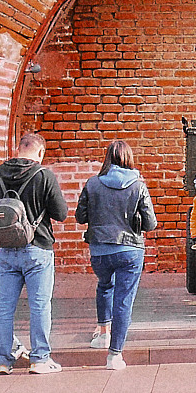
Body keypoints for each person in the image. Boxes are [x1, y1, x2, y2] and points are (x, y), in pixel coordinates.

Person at [0, 130, 68, 375]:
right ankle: (40, 359)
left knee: (4, 306)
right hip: (37, 250)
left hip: (6, 251)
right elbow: (60, 213)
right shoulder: (44, 176)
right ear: (40, 152)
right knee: (39, 305)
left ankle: (3, 361)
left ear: (18, 149)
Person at [75, 141, 157, 371]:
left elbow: (80, 217)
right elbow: (150, 223)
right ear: (129, 159)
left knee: (104, 286)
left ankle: (103, 334)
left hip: (100, 249)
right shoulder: (138, 186)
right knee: (123, 300)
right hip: (130, 250)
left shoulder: (92, 184)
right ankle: (115, 355)